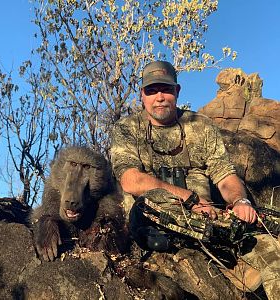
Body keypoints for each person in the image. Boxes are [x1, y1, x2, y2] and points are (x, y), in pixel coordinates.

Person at [110, 61, 280, 299]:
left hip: (208, 223)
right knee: (151, 201)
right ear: (142, 95)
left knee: (273, 252)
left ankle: (230, 251)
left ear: (177, 92)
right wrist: (189, 198)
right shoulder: (126, 129)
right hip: (153, 224)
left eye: (166, 89)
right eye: (152, 90)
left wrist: (241, 202)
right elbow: (130, 180)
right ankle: (226, 257)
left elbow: (224, 175)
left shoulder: (201, 126)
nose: (159, 97)